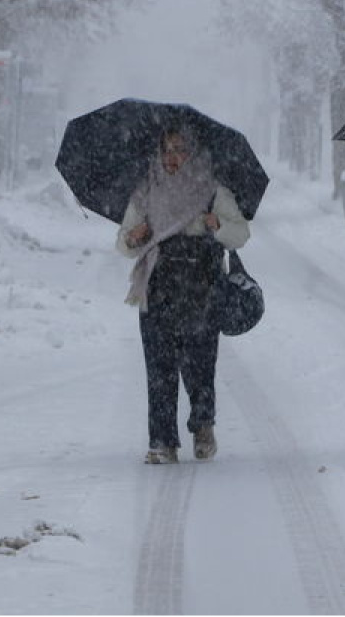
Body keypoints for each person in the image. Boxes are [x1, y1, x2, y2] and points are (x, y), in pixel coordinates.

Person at [117, 128, 250, 465]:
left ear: (193, 153)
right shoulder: (146, 191)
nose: (171, 157)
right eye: (166, 150)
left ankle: (202, 425)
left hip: (201, 285)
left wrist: (216, 223)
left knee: (199, 364)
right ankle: (162, 441)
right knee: (159, 365)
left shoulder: (212, 189)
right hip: (159, 284)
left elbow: (241, 234)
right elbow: (124, 245)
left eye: (179, 150)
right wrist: (135, 237)